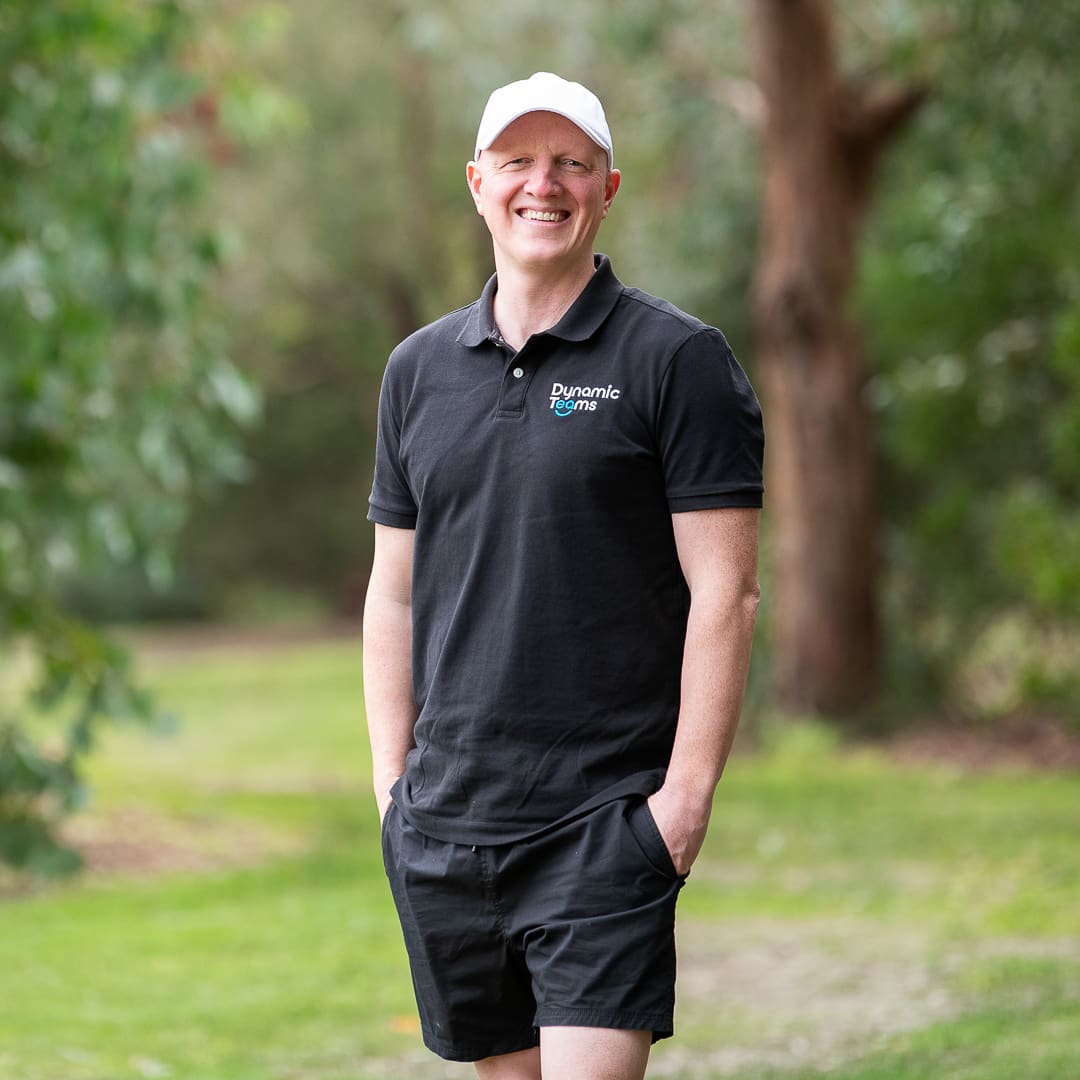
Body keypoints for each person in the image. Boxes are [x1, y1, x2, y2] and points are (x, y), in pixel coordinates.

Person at [363, 71, 763, 1080]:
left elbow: (728, 591)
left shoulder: (677, 360)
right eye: (519, 162)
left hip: (604, 821)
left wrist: (683, 803)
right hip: (448, 825)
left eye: (571, 163)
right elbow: (393, 592)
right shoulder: (416, 370)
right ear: (478, 183)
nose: (544, 184)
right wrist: (390, 786)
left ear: (607, 187)